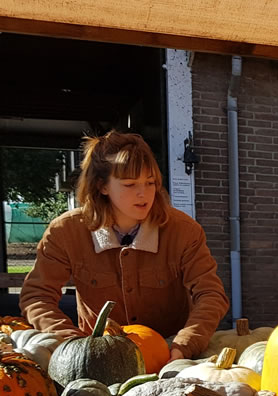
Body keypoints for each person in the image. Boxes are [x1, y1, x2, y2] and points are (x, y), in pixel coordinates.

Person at [20, 130, 229, 362]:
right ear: (102, 187)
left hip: (169, 354)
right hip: (97, 358)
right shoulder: (65, 232)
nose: (144, 194)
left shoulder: (184, 230)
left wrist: (185, 345)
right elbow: (36, 296)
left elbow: (211, 295)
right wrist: (73, 344)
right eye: (130, 184)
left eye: (150, 183)